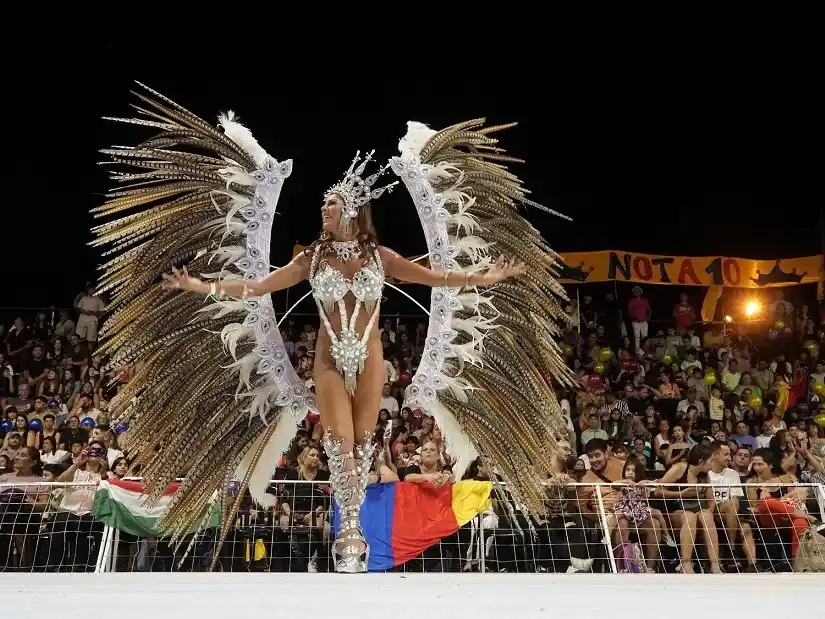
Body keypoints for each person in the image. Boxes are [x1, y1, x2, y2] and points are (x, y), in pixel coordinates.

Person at [96, 86, 568, 575]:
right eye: (323, 204)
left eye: (333, 203)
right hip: (326, 359)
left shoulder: (378, 258)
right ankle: (346, 533)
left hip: (371, 357)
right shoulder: (312, 257)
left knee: (363, 446)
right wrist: (201, 285)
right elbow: (258, 286)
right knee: (339, 444)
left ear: (354, 211)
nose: (324, 209)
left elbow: (436, 277)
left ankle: (356, 529)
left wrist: (484, 278)